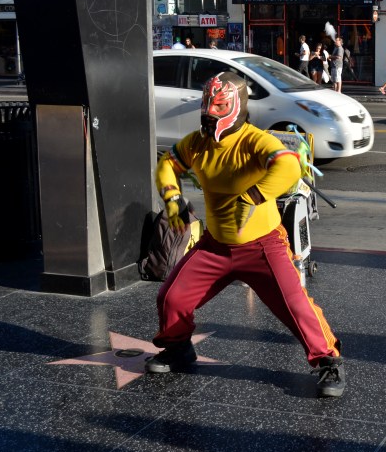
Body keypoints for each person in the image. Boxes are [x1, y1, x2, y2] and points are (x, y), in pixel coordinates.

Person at [145, 71, 346, 398]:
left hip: (262, 247)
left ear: (235, 107)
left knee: (296, 307)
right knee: (172, 298)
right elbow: (167, 164)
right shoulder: (198, 142)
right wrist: (173, 199)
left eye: (218, 108)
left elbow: (289, 165)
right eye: (206, 108)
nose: (209, 115)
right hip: (216, 246)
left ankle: (328, 360)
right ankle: (179, 347)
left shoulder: (254, 140)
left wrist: (253, 195)